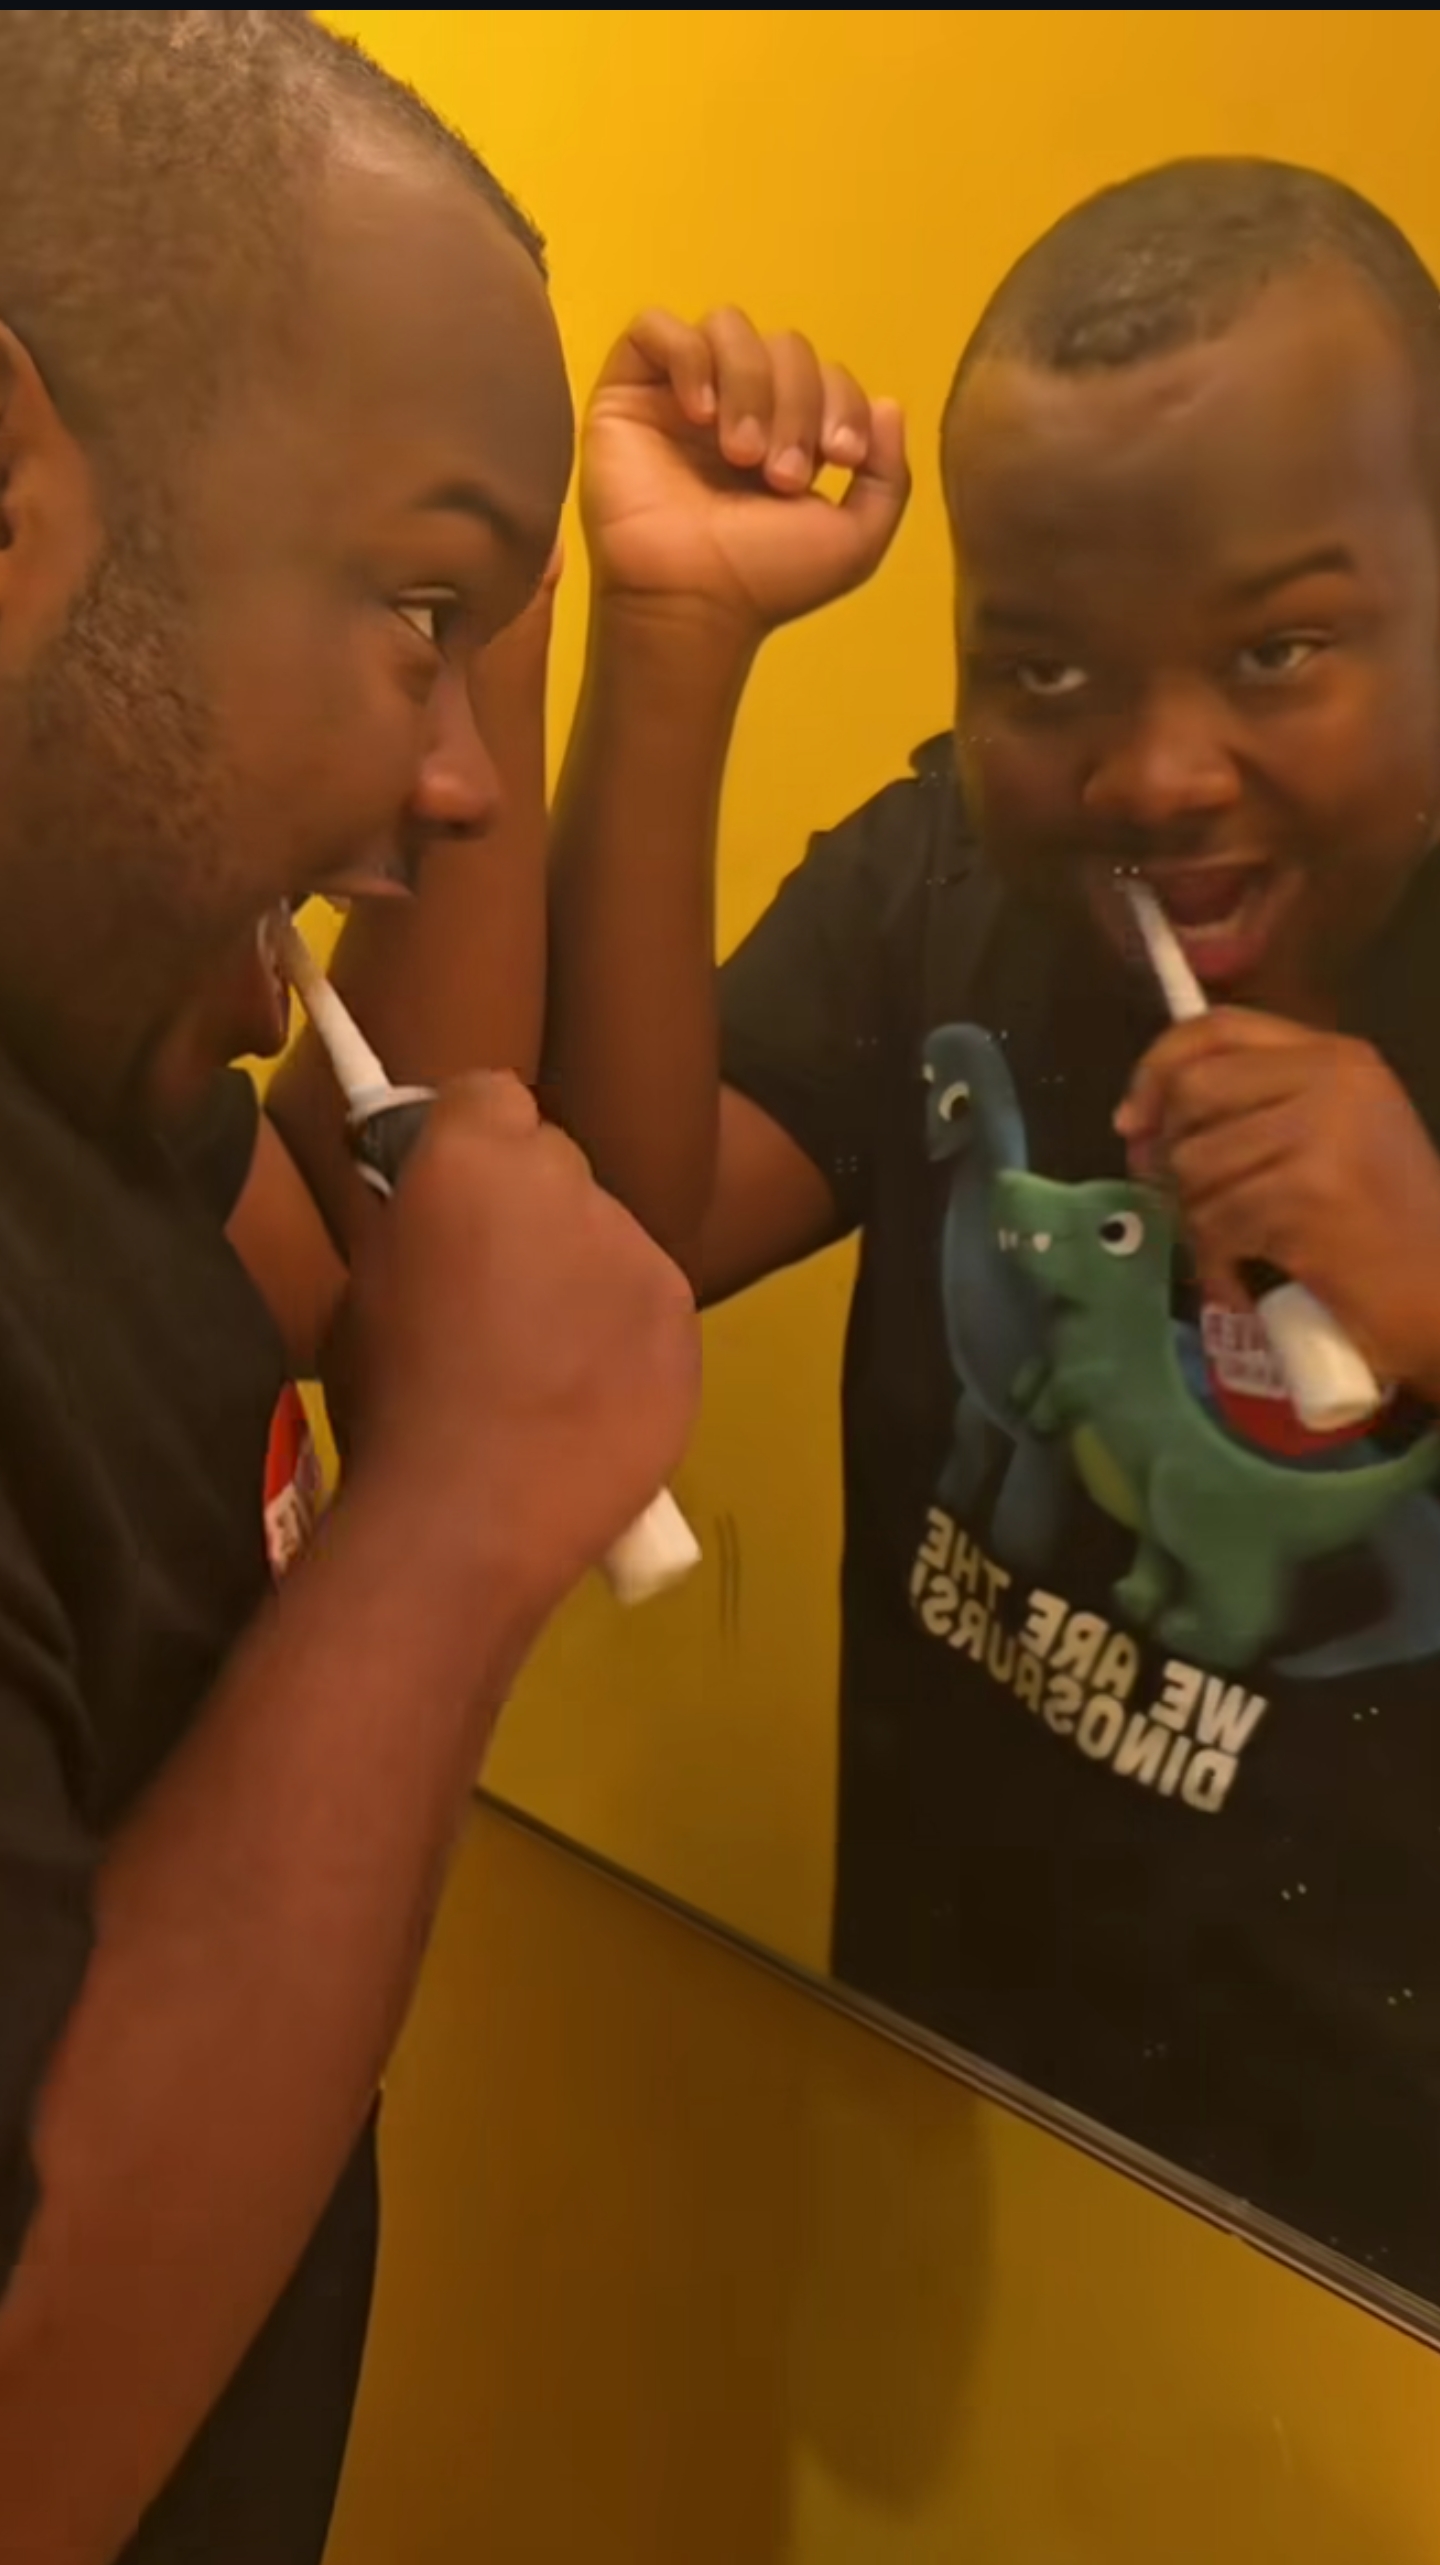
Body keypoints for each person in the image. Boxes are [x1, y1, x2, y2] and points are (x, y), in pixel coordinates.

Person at [0, 10, 696, 2565]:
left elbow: (371, 1252)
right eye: (423, 615)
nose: (451, 780)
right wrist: (450, 1527)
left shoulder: (94, 1077)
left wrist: (619, 621)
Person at [543, 160, 1440, 2299]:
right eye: (1043, 669)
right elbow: (603, 1250)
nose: (1155, 773)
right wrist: (671, 636)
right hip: (968, 2158)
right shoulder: (939, 883)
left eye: (1277, 648)